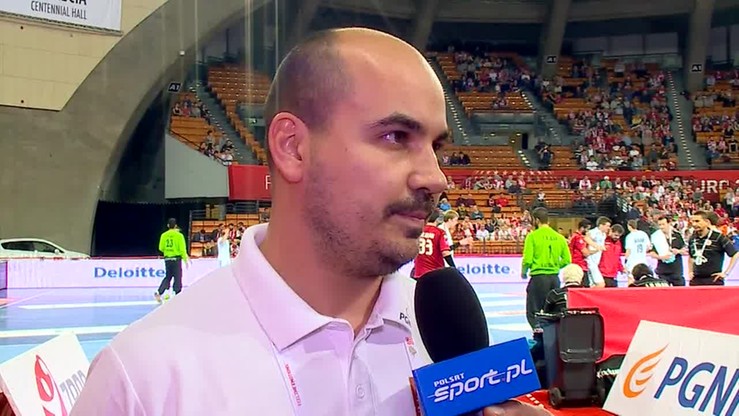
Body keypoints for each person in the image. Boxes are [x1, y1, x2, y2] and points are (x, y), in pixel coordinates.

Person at [71, 28, 549, 416]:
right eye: (396, 136)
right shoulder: (144, 380)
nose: (436, 177)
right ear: (293, 147)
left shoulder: (444, 339)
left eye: (436, 146)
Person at [521, 207, 571, 329]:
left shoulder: (533, 236)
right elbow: (567, 260)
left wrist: (524, 272)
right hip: (554, 278)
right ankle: (552, 335)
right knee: (554, 311)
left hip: (539, 278)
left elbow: (527, 259)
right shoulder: (559, 237)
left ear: (536, 220)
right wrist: (555, 266)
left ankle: (538, 334)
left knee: (534, 311)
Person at [688, 210, 739, 286]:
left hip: (714, 280)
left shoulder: (718, 237)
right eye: (692, 222)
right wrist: (690, 271)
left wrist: (726, 273)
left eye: (697, 221)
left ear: (707, 222)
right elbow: (691, 256)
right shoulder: (692, 238)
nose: (694, 224)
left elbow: (735, 254)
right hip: (695, 280)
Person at [154, 218, 189, 304]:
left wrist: (168, 251)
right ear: (175, 226)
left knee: (168, 276)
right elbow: (182, 249)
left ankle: (159, 291)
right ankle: (177, 293)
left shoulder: (163, 235)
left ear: (168, 225)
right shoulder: (179, 235)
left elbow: (161, 248)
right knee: (178, 276)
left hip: (167, 259)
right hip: (176, 259)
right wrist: (185, 259)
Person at [413, 212, 453, 278]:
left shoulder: (418, 231)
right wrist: (453, 267)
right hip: (435, 272)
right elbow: (445, 252)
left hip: (419, 272)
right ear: (437, 219)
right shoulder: (439, 232)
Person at [648, 216, 686, 286]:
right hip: (662, 271)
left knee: (680, 291)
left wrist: (678, 251)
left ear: (669, 223)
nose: (661, 227)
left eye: (663, 224)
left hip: (676, 270)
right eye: (660, 225)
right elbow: (652, 254)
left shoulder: (677, 234)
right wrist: (662, 257)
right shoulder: (656, 237)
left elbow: (684, 250)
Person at [585, 216, 611, 288]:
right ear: (601, 225)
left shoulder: (603, 234)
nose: (608, 228)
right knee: (601, 284)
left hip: (596, 262)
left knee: (593, 285)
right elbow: (586, 238)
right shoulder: (594, 232)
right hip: (591, 261)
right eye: (607, 226)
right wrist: (597, 246)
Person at [569, 219, 593, 287]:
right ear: (582, 228)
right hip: (579, 266)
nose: (588, 231)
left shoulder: (576, 236)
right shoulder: (578, 237)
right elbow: (586, 253)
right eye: (587, 229)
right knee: (584, 287)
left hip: (578, 266)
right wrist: (597, 249)